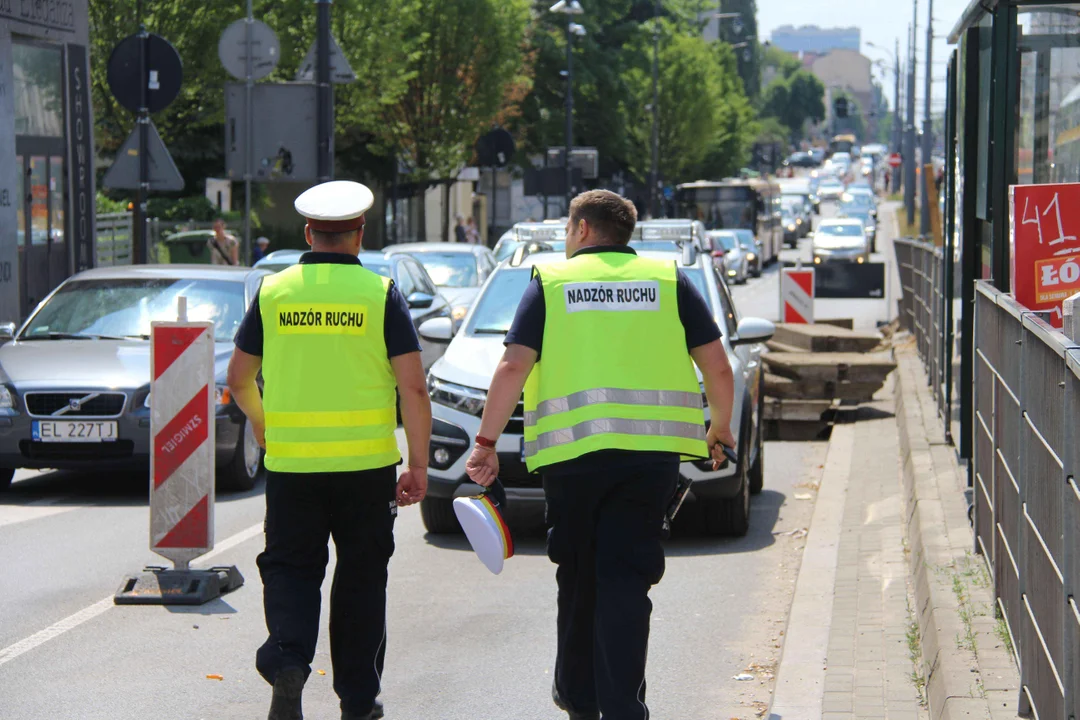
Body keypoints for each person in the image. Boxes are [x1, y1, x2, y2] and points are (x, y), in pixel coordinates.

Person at [464, 190, 736, 719]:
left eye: (568, 229)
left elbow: (513, 367)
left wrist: (486, 444)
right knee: (627, 581)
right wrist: (718, 429)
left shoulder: (553, 282)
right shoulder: (667, 280)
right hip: (648, 462)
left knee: (579, 574)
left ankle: (578, 697)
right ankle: (624, 708)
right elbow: (718, 366)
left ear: (582, 230)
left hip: (572, 461)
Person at [227, 180, 431, 720]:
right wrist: (416, 463)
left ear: (308, 233)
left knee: (292, 570)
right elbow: (412, 387)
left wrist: (266, 425)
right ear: (359, 234)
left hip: (294, 467)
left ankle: (290, 661)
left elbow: (239, 377)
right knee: (362, 579)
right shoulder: (379, 293)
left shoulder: (274, 293)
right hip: (366, 468)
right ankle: (359, 701)